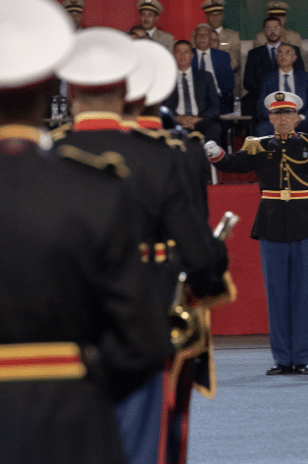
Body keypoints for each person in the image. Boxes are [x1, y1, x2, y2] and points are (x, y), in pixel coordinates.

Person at [0, 0, 170, 464]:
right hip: (78, 423)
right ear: (53, 88)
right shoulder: (100, 189)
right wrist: (82, 380)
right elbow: (141, 338)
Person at [53, 28, 231, 464]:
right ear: (125, 89)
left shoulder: (49, 153)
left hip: (63, 330)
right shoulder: (161, 156)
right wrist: (209, 278)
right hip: (141, 320)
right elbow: (199, 250)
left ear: (72, 90)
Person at [204, 92, 308, 375]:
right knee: (276, 294)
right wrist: (217, 155)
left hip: (302, 222)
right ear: (271, 119)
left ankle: (300, 359)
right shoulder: (258, 148)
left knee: (300, 294)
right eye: (277, 115)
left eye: (288, 114)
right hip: (272, 223)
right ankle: (281, 359)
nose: (283, 119)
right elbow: (233, 165)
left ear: (298, 118)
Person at [242, 17, 305, 117]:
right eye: (269, 28)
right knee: (247, 103)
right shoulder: (254, 54)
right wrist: (267, 94)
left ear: (281, 30)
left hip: (290, 94)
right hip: (262, 97)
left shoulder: (293, 50)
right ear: (264, 31)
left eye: (276, 28)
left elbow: (301, 76)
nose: (273, 31)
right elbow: (248, 82)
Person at [163, 39, 223, 144]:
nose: (182, 55)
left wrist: (199, 118)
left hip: (200, 120)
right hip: (175, 121)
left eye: (186, 52)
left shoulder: (205, 76)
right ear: (173, 55)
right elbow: (161, 106)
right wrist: (177, 118)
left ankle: (206, 160)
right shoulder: (166, 78)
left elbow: (215, 105)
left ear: (191, 55)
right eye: (178, 52)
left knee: (214, 128)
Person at [256, 42, 308, 135]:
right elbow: (261, 106)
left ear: (294, 57)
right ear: (276, 57)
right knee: (262, 129)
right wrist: (277, 118)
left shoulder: (305, 77)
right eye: (280, 53)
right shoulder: (267, 78)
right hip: (276, 121)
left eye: (287, 52)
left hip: (299, 119)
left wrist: (300, 117)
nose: (283, 56)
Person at [200, 0, 241, 96]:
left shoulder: (233, 36)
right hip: (203, 79)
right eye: (211, 15)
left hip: (225, 79)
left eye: (218, 15)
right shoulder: (197, 36)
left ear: (222, 16)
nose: (215, 18)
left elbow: (234, 62)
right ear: (206, 17)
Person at [191, 23, 235, 114]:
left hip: (217, 98)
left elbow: (229, 83)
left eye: (205, 35)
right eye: (199, 34)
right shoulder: (187, 55)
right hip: (192, 99)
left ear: (211, 39)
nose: (202, 37)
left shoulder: (223, 56)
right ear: (194, 38)